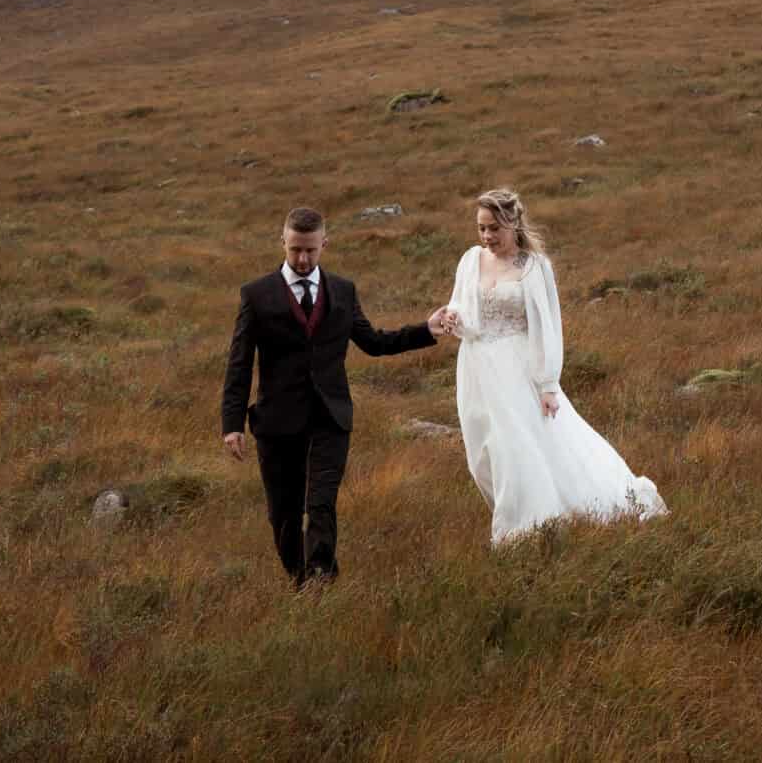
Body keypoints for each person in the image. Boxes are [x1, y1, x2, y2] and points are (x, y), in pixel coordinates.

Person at [220, 206, 452, 586]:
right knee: (284, 514)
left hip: (331, 418)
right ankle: (298, 580)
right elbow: (239, 364)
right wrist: (232, 425)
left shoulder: (343, 292)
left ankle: (321, 580)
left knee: (322, 503)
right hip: (277, 423)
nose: (302, 258)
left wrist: (426, 330)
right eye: (295, 249)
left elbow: (374, 342)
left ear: (324, 244)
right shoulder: (256, 295)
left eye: (310, 250)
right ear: (283, 243)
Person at [441, 187, 665, 543]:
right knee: (481, 453)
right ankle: (518, 514)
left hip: (518, 369)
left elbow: (548, 328)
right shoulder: (470, 260)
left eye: (494, 228)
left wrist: (548, 384)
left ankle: (528, 529)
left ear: (513, 224)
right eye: (481, 227)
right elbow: (461, 308)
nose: (487, 236)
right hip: (475, 368)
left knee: (514, 447)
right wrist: (452, 320)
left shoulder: (535, 268)